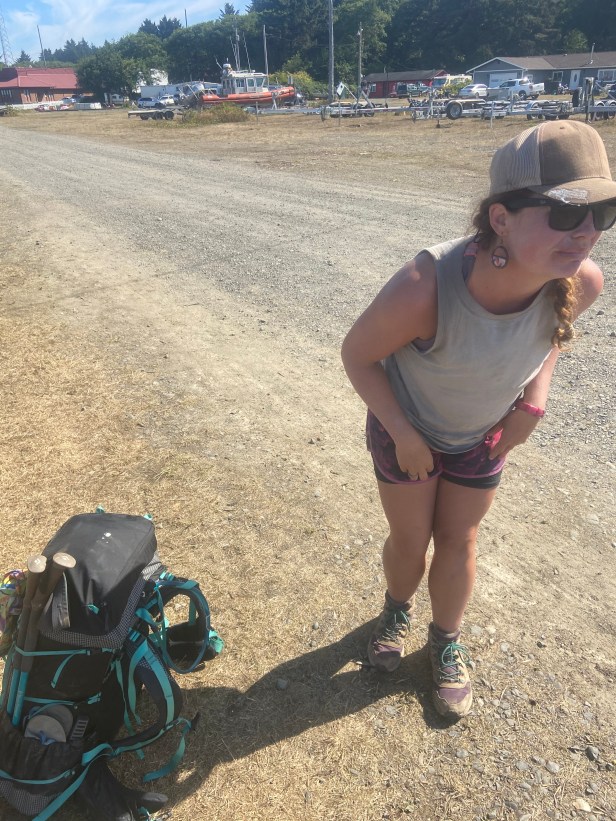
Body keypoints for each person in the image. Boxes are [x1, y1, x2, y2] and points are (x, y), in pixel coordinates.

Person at [341, 120, 614, 720]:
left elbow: (554, 338)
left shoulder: (579, 282)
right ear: (500, 219)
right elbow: (357, 357)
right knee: (411, 542)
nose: (589, 231)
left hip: (483, 438)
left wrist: (533, 402)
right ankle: (395, 609)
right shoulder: (426, 286)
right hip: (404, 431)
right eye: (568, 212)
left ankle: (444, 640)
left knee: (460, 541)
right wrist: (405, 435)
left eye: (604, 211)